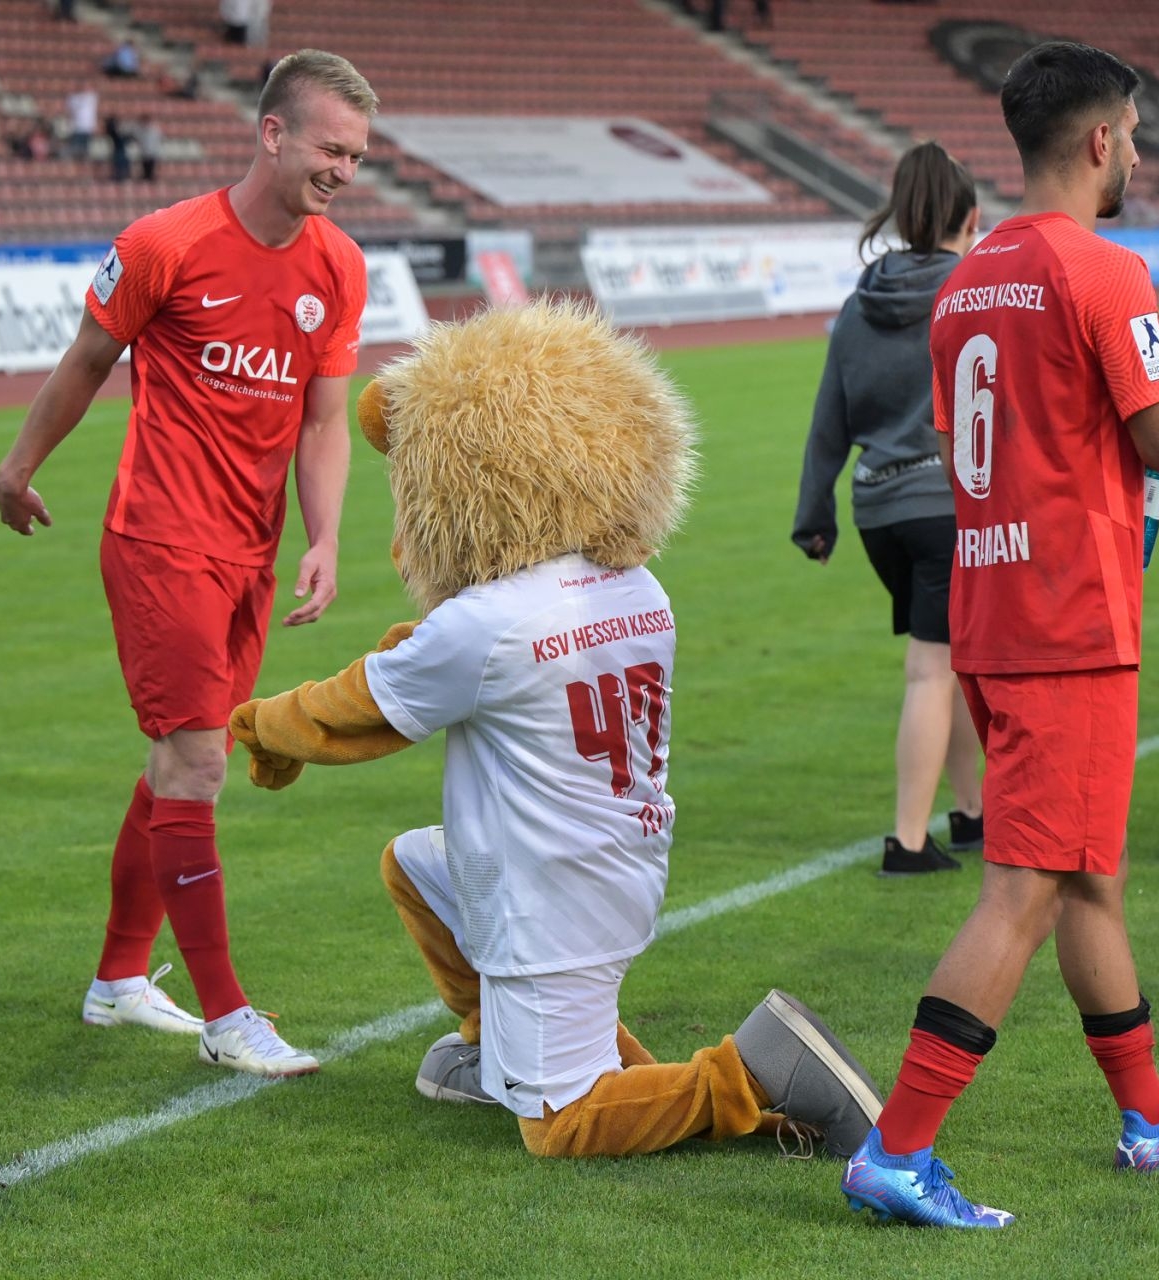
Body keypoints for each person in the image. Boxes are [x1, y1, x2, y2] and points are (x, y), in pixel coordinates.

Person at [231, 303, 886, 1160]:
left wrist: (260, 727)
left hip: (547, 896)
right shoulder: (636, 587)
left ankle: (752, 1076)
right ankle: (495, 1047)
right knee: (417, 866)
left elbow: (357, 709)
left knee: (564, 1126)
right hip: (612, 855)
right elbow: (472, 655)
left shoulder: (486, 623)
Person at [840, 41, 1159, 1230]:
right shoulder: (1103, 269)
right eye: (1134, 134)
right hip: (1070, 618)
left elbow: (995, 433)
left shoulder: (971, 274)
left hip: (993, 605)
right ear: (1102, 139)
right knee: (1023, 889)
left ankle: (1150, 1115)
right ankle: (898, 1147)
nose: (1137, 154)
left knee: (1086, 877)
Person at [0, 49, 376, 1078]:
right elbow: (85, 362)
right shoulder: (165, 243)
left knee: (177, 761)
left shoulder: (339, 265)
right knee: (199, 762)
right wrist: (18, 468)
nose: (344, 170)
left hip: (250, 552)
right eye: (331, 148)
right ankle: (227, 1015)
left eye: (357, 155)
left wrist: (324, 536)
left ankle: (119, 978)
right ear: (272, 133)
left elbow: (323, 419)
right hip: (161, 540)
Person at [793, 142, 985, 877]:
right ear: (972, 218)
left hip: (877, 508)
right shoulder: (973, 290)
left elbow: (828, 418)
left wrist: (814, 516)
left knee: (953, 658)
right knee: (933, 668)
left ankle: (972, 813)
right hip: (946, 506)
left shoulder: (859, 303)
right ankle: (907, 843)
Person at [65, 84, 97, 160]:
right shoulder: (74, 98)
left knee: (86, 149)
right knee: (76, 149)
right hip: (77, 127)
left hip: (88, 128)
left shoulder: (92, 97)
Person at [105, 112, 132, 181]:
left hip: (120, 151)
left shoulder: (116, 132)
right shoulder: (113, 132)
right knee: (120, 164)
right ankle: (119, 176)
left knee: (122, 164)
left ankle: (122, 176)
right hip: (118, 151)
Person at [136, 114, 163, 181]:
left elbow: (157, 143)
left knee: (151, 173)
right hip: (144, 154)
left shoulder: (155, 130)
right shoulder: (140, 131)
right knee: (145, 173)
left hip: (152, 154)